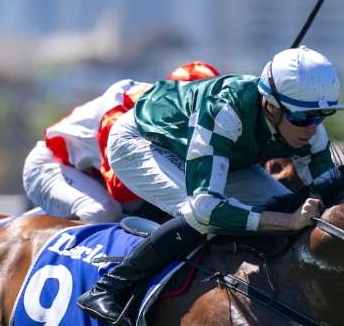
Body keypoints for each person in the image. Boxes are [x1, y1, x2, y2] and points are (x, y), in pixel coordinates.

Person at [76, 46, 344, 326]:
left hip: (215, 153)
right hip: (143, 141)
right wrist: (288, 221)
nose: (312, 128)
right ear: (271, 106)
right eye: (302, 118)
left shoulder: (309, 128)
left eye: (322, 115)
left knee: (280, 201)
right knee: (200, 216)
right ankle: (110, 288)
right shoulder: (225, 111)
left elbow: (332, 190)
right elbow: (207, 208)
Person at [22, 62, 221, 222]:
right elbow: (121, 189)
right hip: (52, 166)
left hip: (94, 176)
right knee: (102, 212)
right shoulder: (120, 112)